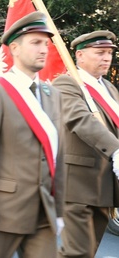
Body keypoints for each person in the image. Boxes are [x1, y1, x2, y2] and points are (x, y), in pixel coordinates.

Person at [0, 11, 64, 257]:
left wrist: (59, 209)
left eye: (46, 44)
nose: (43, 49)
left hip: (42, 213)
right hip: (2, 214)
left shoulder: (53, 95)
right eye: (35, 42)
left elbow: (57, 156)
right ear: (15, 48)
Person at [54, 30, 119, 258]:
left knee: (86, 252)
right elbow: (80, 120)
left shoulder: (109, 88)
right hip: (79, 185)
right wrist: (115, 150)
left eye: (109, 53)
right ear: (80, 56)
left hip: (105, 185)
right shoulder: (66, 83)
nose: (106, 58)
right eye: (100, 52)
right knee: (77, 252)